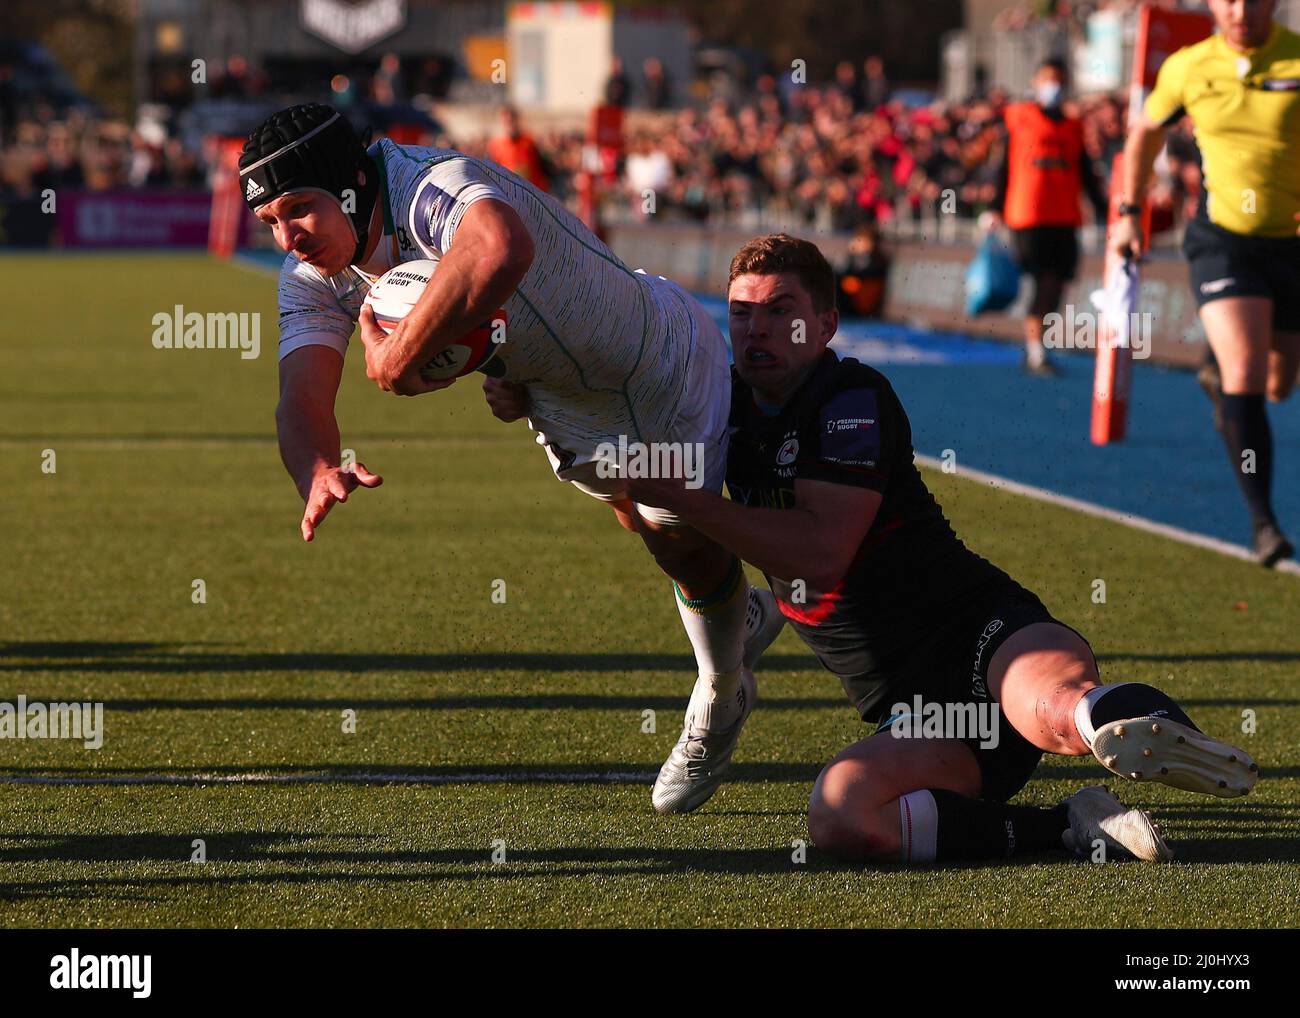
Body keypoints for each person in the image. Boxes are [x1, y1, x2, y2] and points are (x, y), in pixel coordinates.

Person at [625, 234, 1259, 863]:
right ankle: (1071, 823)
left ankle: (1157, 736)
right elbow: (655, 514)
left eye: (781, 310)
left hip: (980, 630)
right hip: (924, 717)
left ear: (825, 325)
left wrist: (686, 500)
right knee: (840, 814)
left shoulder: (851, 398)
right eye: (742, 312)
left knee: (1064, 716)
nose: (757, 328)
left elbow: (821, 554)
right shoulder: (719, 405)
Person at [240, 103, 786, 816]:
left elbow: (500, 246)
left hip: (654, 367)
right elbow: (300, 396)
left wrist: (398, 359)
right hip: (559, 398)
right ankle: (734, 612)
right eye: (270, 224)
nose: (289, 237)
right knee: (640, 523)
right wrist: (314, 466)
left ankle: (722, 690)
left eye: (299, 209)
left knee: (679, 540)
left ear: (348, 180)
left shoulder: (429, 185)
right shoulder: (314, 275)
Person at [1112, 0, 1299, 567]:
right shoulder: (1190, 67)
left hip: (1289, 244)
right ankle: (1264, 523)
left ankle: (1218, 371)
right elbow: (1143, 134)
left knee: (1278, 385)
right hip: (1223, 239)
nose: (1241, 10)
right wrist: (1127, 209)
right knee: (1246, 373)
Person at [987, 57, 1107, 377]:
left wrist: (1103, 208)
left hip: (1064, 215)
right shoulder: (1020, 119)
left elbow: (1084, 171)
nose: (1052, 87)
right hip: (1028, 213)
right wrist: (995, 207)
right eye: (1047, 80)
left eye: (1058, 81)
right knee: (1042, 281)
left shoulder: (1072, 126)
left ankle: (1037, 347)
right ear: (1036, 82)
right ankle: (1036, 350)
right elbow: (1004, 166)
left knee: (1056, 283)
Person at [486, 106, 550, 192]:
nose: (510, 124)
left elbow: (542, 166)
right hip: (509, 192)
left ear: (517, 120)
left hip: (532, 191)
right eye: (507, 121)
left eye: (512, 120)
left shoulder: (529, 141)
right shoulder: (495, 145)